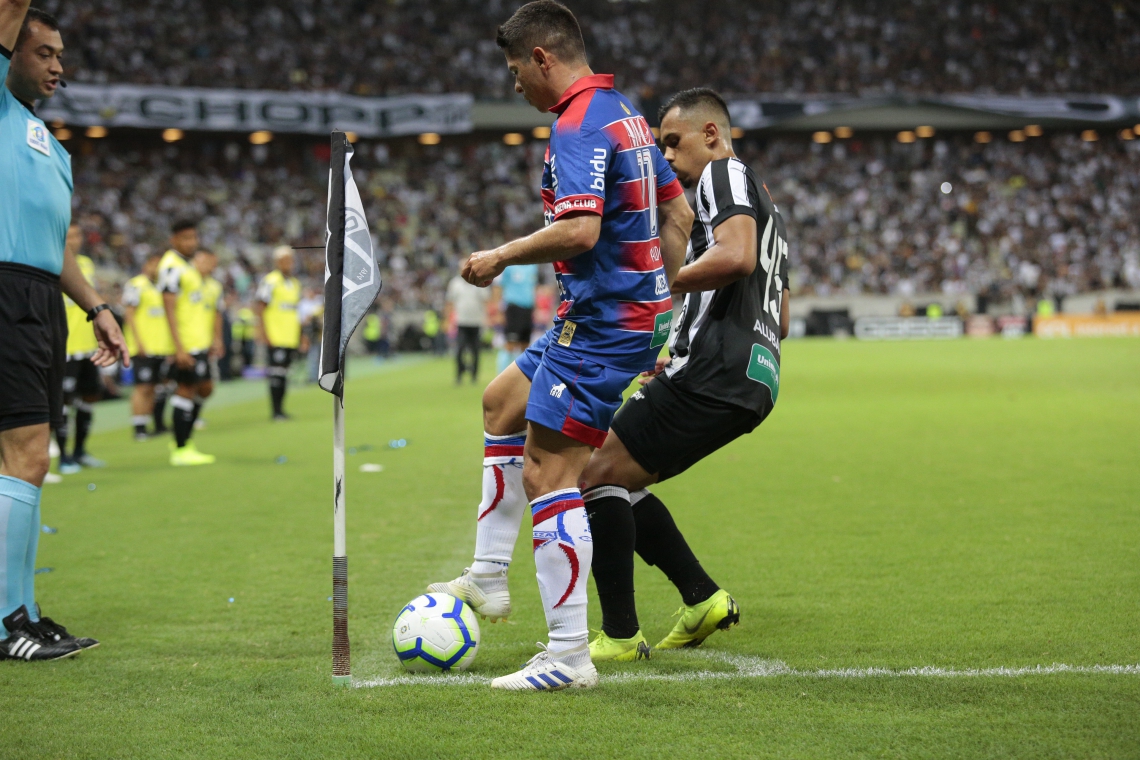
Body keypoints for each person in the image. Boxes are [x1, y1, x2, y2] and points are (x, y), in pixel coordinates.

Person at [429, 0, 694, 691]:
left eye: (516, 70)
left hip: (602, 327)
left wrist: (500, 256)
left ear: (542, 58)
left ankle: (570, 657)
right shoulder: (626, 113)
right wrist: (654, 296)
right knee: (500, 405)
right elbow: (679, 212)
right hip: (603, 318)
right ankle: (489, 576)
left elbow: (578, 232)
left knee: (550, 477)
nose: (515, 85)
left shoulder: (577, 126)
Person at [579, 88, 791, 662]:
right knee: (617, 476)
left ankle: (621, 636)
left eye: (674, 143)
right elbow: (783, 315)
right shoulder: (766, 203)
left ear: (713, 135)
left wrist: (659, 286)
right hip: (753, 378)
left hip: (714, 370)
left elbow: (737, 256)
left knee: (591, 471)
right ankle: (700, 598)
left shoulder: (724, 176)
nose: (667, 157)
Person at [0, 3, 127, 660]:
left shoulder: (49, 144)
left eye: (60, 55)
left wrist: (96, 307)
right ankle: (6, 621)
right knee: (26, 458)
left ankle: (21, 612)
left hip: (40, 297)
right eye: (43, 52)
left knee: (22, 463)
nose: (57, 65)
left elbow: (57, 245)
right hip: (5, 289)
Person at [158, 220, 215, 465]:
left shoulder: (188, 266)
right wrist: (178, 347)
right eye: (185, 238)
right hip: (185, 345)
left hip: (197, 342)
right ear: (174, 240)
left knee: (203, 388)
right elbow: (168, 308)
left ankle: (183, 441)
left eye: (194, 237)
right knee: (185, 390)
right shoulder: (172, 267)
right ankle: (181, 449)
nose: (191, 242)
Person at [56, 223, 106, 473]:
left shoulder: (86, 264)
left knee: (89, 398)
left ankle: (80, 451)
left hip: (88, 347)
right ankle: (64, 457)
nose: (74, 240)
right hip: (64, 348)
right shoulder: (51, 263)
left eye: (77, 235)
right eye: (69, 236)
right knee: (62, 402)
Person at [122, 250, 171, 440]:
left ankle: (158, 423)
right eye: (156, 264)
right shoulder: (136, 285)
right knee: (143, 387)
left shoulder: (164, 286)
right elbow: (129, 314)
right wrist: (137, 341)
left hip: (162, 346)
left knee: (160, 387)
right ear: (148, 264)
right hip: (144, 347)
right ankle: (139, 427)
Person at [255, 245, 304, 421]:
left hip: (290, 337)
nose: (288, 264)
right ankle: (276, 411)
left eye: (290, 260)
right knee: (276, 373)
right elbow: (260, 306)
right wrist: (262, 332)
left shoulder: (295, 284)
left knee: (284, 374)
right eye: (284, 260)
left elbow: (296, 312)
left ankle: (281, 410)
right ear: (277, 262)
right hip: (275, 336)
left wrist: (301, 335)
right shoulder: (270, 281)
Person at [192, 247, 224, 428]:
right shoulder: (186, 281)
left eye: (211, 262)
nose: (209, 265)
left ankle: (192, 415)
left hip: (205, 341)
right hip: (187, 342)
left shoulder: (214, 286)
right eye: (204, 261)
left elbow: (217, 315)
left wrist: (217, 339)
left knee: (206, 386)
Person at [445, 270, 491, 383]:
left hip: (476, 321)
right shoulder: (455, 283)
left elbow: (486, 301)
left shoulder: (480, 282)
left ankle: (474, 375)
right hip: (461, 321)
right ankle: (460, 373)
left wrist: (487, 318)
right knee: (460, 349)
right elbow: (450, 302)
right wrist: (448, 320)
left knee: (475, 350)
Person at [495, 263, 539, 373]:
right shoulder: (509, 267)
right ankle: (501, 375)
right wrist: (499, 311)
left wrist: (536, 308)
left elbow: (533, 287)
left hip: (528, 308)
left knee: (525, 345)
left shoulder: (532, 267)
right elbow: (499, 287)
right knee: (510, 343)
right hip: (513, 308)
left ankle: (523, 376)